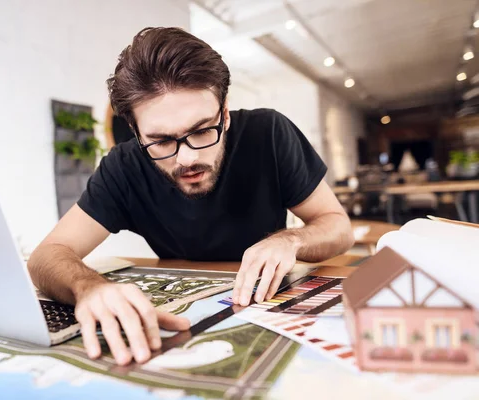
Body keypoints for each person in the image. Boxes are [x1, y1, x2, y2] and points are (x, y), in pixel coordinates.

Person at [28, 27, 354, 366]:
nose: (187, 159)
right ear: (137, 134)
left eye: (201, 131)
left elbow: (338, 226)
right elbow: (46, 256)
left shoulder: (269, 133)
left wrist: (291, 241)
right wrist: (89, 287)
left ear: (225, 113)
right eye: (162, 141)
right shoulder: (123, 166)